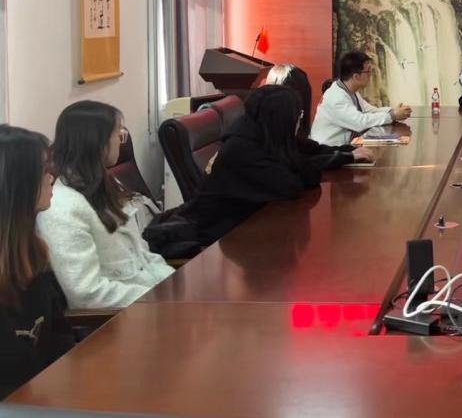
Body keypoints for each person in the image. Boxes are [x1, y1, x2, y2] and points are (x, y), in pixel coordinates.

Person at [36, 101, 173, 309]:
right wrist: (159, 301)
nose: (120, 140)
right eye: (117, 133)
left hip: (151, 300)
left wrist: (176, 287)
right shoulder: (62, 207)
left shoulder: (106, 184)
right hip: (122, 316)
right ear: (97, 142)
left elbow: (143, 256)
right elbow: (86, 293)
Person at [179, 85, 351, 246]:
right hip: (219, 236)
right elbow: (291, 185)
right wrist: (309, 166)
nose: (299, 119)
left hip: (249, 225)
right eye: (298, 114)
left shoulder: (262, 132)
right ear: (281, 119)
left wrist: (347, 154)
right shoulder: (242, 150)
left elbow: (307, 151)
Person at [0, 125, 74, 399]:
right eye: (44, 170)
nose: (52, 177)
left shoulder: (33, 253)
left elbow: (60, 338)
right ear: (17, 182)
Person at [310, 51, 412, 146]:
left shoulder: (350, 90)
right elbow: (360, 122)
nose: (371, 75)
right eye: (368, 71)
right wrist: (392, 116)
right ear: (356, 77)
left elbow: (369, 111)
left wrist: (393, 111)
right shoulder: (336, 98)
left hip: (345, 146)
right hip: (329, 150)